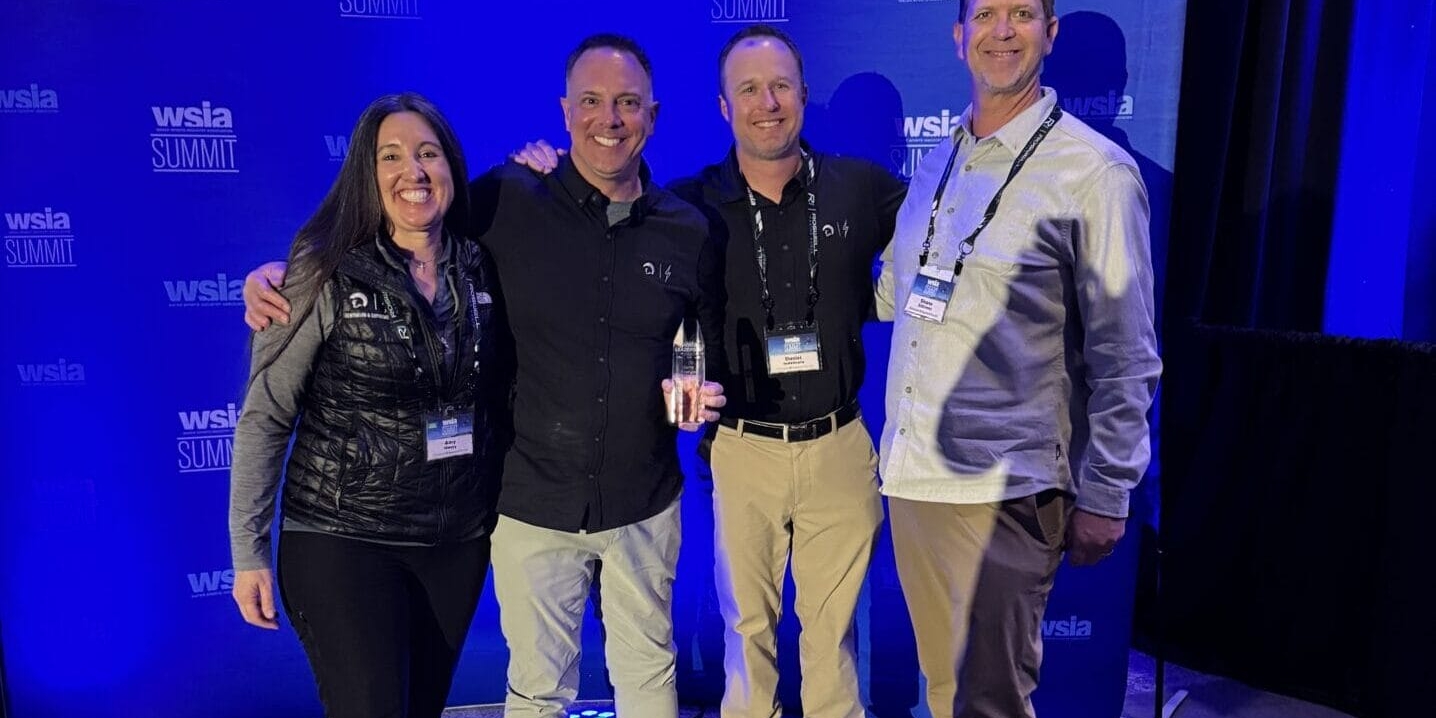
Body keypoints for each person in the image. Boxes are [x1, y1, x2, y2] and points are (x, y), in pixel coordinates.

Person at [242, 35, 727, 718]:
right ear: (565, 112)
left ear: (654, 114)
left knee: (649, 679)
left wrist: (687, 387)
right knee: (536, 690)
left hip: (643, 498)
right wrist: (280, 276)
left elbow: (691, 336)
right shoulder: (505, 199)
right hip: (529, 501)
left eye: (626, 103)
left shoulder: (688, 229)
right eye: (591, 101)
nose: (608, 119)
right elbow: (398, 221)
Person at [512, 24, 906, 718]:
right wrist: (540, 179)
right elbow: (602, 243)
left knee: (833, 637)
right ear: (724, 107)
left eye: (781, 86)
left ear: (804, 96)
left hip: (841, 445)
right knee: (747, 636)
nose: (768, 103)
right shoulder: (687, 206)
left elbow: (951, 232)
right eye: (748, 89)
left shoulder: (860, 187)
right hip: (741, 448)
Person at [872, 2, 1162, 717]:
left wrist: (1107, 491)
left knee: (992, 699)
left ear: (1049, 34)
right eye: (987, 14)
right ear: (958, 36)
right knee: (943, 692)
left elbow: (1125, 352)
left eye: (1023, 14)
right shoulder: (937, 163)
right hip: (915, 482)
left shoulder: (1095, 173)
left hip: (1009, 491)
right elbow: (893, 295)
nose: (1003, 31)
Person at [228, 92, 507, 718]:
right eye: (392, 156)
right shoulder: (320, 271)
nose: (413, 171)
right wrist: (248, 552)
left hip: (454, 544)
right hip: (341, 540)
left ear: (452, 168)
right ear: (366, 173)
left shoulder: (483, 265)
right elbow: (266, 415)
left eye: (428, 153)